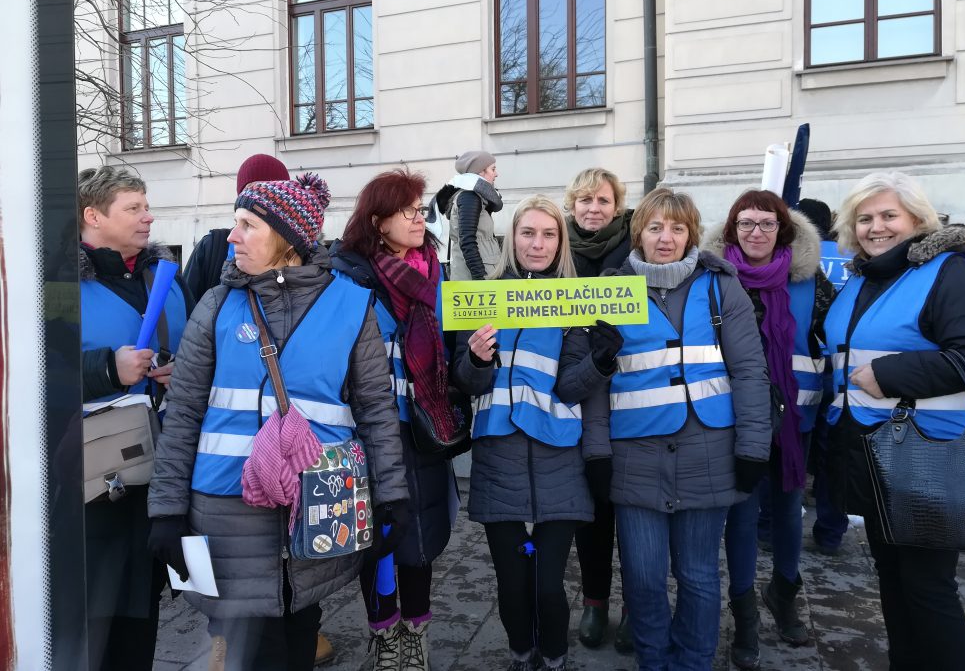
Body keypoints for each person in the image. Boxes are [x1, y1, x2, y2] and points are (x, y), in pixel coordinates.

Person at [146, 173, 410, 671]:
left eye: (246, 224)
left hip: (319, 510)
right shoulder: (217, 305)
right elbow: (182, 414)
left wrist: (392, 496)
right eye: (234, 223)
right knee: (255, 650)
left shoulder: (352, 306)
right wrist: (165, 511)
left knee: (298, 635)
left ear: (286, 239)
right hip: (227, 513)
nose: (232, 236)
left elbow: (376, 407)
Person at [566, 187, 772, 671]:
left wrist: (754, 448)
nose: (666, 238)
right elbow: (596, 384)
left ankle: (695, 661)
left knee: (699, 575)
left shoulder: (722, 285)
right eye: (656, 227)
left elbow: (749, 371)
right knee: (641, 576)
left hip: (709, 450)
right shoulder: (610, 291)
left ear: (691, 234)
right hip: (634, 454)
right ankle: (653, 661)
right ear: (639, 233)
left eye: (677, 228)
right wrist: (596, 453)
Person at [825, 170, 965, 671]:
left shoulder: (950, 271)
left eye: (888, 216)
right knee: (892, 579)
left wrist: (891, 372)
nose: (875, 227)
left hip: (929, 456)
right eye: (864, 218)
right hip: (871, 452)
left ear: (917, 219)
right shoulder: (867, 276)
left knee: (927, 588)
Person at [451, 195, 614, 671]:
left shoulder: (573, 300)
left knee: (547, 584)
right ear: (512, 238)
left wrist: (600, 362)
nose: (537, 244)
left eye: (548, 235)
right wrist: (477, 359)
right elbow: (465, 381)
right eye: (528, 233)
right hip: (498, 457)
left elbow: (568, 384)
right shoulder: (481, 296)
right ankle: (522, 655)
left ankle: (556, 658)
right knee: (512, 583)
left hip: (558, 456)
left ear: (560, 243)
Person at [330, 168, 465, 671]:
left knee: (420, 538)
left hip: (424, 427)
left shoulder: (436, 271)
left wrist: (475, 358)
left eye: (420, 209)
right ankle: (384, 636)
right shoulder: (346, 278)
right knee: (378, 538)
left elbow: (453, 352)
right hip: (369, 433)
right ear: (377, 220)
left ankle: (416, 638)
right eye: (408, 210)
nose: (419, 218)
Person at [704, 190, 834, 667]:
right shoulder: (714, 279)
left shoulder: (811, 283)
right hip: (737, 421)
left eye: (766, 224)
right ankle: (745, 617)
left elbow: (832, 344)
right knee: (741, 517)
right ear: (731, 230)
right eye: (746, 224)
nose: (756, 232)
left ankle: (784, 592)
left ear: (783, 230)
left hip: (796, 420)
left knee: (788, 512)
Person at [78, 166, 193, 671]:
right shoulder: (53, 282)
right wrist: (108, 368)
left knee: (140, 616)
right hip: (86, 485)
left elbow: (195, 350)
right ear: (92, 216)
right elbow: (30, 369)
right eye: (134, 208)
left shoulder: (165, 277)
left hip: (156, 473)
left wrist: (180, 371)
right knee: (91, 622)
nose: (149, 218)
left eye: (147, 206)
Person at [561, 167, 633, 651]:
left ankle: (636, 604)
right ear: (572, 204)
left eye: (603, 200)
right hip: (575, 397)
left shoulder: (635, 248)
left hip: (630, 399)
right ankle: (594, 603)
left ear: (617, 205)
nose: (593, 208)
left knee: (632, 511)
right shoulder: (556, 248)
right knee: (590, 510)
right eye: (584, 200)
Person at [797, 198, 850, 558]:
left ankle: (775, 518)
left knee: (797, 450)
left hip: (805, 373)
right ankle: (830, 531)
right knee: (834, 457)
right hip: (846, 372)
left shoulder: (806, 263)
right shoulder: (851, 256)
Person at [183, 153, 290, 304]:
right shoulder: (214, 247)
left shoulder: (308, 259)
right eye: (250, 191)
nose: (258, 201)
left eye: (268, 192)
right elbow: (187, 310)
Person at [437, 151, 502, 280]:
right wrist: (480, 278)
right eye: (493, 169)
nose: (496, 174)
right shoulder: (469, 197)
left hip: (484, 270)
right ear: (480, 172)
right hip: (477, 276)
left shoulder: (475, 196)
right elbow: (467, 240)